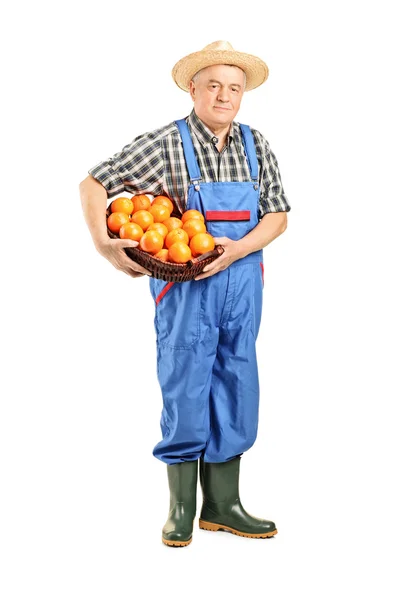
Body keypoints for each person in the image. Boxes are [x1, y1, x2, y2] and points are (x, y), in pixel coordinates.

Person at [79, 41, 291, 547]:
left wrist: (238, 249)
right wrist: (104, 246)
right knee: (184, 382)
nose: (224, 95)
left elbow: (278, 215)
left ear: (243, 95)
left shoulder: (256, 145)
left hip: (242, 283)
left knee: (237, 381)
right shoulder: (166, 143)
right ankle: (180, 507)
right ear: (193, 88)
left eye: (234, 87)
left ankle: (224, 505)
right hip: (186, 288)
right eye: (213, 84)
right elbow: (92, 184)